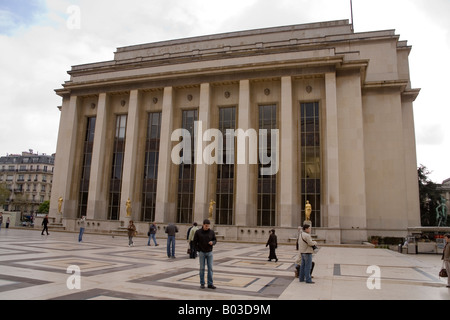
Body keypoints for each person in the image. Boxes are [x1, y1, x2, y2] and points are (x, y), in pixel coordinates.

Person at [193, 219, 217, 289]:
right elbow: (194, 242)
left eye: (208, 226)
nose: (207, 227)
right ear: (203, 225)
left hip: (209, 252)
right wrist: (198, 250)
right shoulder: (198, 232)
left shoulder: (211, 232)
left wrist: (213, 242)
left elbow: (215, 240)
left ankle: (210, 283)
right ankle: (202, 283)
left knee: (210, 268)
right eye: (206, 226)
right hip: (202, 252)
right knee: (202, 268)